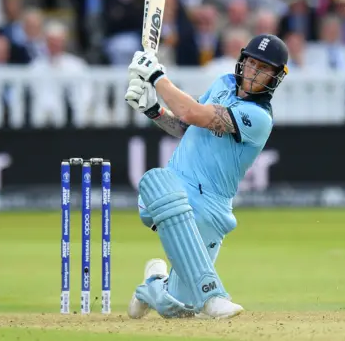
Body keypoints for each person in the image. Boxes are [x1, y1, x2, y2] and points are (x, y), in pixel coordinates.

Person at [123, 34, 289, 319]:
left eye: (263, 69)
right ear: (242, 62)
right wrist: (154, 111)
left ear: (275, 77)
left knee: (179, 308)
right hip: (169, 188)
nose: (253, 72)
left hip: (211, 209)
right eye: (251, 63)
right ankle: (213, 296)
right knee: (155, 182)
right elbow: (188, 124)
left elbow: (193, 112)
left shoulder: (258, 117)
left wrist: (155, 76)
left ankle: (154, 285)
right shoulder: (223, 82)